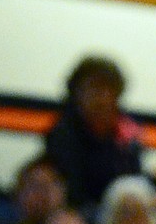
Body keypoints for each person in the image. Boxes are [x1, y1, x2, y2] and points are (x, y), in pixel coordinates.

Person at [44, 57, 143, 213]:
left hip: (121, 214)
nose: (102, 99)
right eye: (94, 89)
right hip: (75, 213)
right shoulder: (63, 133)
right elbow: (71, 192)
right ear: (76, 93)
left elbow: (135, 183)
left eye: (109, 90)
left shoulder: (127, 132)